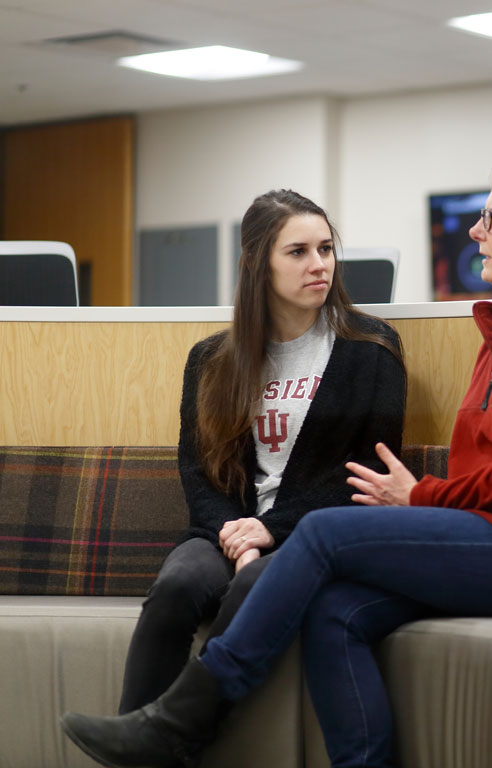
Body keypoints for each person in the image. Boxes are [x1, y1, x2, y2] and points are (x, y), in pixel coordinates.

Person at [60, 161, 492, 768]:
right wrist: (428, 499)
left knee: (323, 533)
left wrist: (422, 498)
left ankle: (181, 720)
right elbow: (486, 472)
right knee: (334, 613)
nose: (476, 231)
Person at [117, 188, 406, 715]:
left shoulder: (372, 349)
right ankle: (133, 725)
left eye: (326, 249)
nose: (319, 265)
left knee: (251, 583)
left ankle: (171, 729)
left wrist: (271, 530)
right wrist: (237, 534)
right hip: (225, 529)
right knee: (177, 584)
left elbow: (365, 475)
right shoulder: (211, 360)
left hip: (314, 536)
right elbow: (198, 471)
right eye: (298, 252)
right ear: (257, 263)